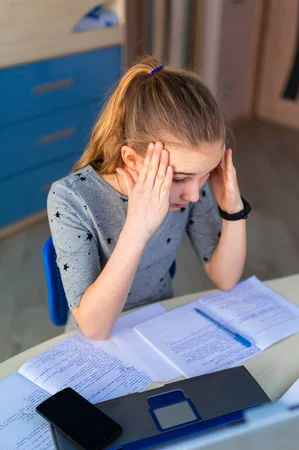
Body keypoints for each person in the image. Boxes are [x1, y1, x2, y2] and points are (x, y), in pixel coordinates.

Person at [47, 56, 250, 340]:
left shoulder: (191, 188)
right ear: (132, 158)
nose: (193, 194)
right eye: (179, 178)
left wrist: (233, 209)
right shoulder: (71, 199)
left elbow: (225, 278)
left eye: (206, 174)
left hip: (158, 326)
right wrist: (137, 228)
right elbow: (94, 328)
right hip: (96, 339)